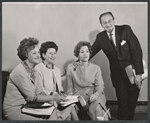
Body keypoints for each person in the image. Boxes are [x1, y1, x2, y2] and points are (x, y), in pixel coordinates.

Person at [90, 12, 144, 120]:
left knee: (132, 101)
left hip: (132, 72)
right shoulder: (101, 37)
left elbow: (136, 51)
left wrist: (139, 74)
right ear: (101, 24)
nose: (108, 24)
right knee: (122, 101)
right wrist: (77, 62)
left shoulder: (125, 30)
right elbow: (91, 52)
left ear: (113, 20)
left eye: (110, 21)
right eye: (104, 22)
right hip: (117, 75)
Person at [3, 37, 67, 120]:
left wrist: (52, 97)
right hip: (15, 110)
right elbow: (31, 97)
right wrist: (54, 98)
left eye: (38, 52)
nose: (38, 55)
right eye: (34, 53)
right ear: (26, 54)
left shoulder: (34, 71)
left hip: (28, 107)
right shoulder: (19, 72)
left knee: (54, 111)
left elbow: (39, 91)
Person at [66, 41, 111, 121]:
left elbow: (100, 86)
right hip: (78, 98)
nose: (85, 54)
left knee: (98, 108)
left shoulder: (96, 68)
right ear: (78, 54)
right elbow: (69, 88)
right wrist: (72, 98)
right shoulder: (70, 67)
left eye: (87, 51)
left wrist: (96, 95)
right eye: (82, 52)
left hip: (94, 96)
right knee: (69, 111)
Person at [34, 41, 79, 120]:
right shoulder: (38, 68)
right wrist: (53, 94)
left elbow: (60, 87)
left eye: (54, 53)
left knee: (71, 109)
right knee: (69, 113)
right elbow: (39, 90)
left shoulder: (57, 70)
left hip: (57, 101)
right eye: (50, 53)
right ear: (43, 55)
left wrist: (62, 93)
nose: (53, 56)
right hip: (46, 101)